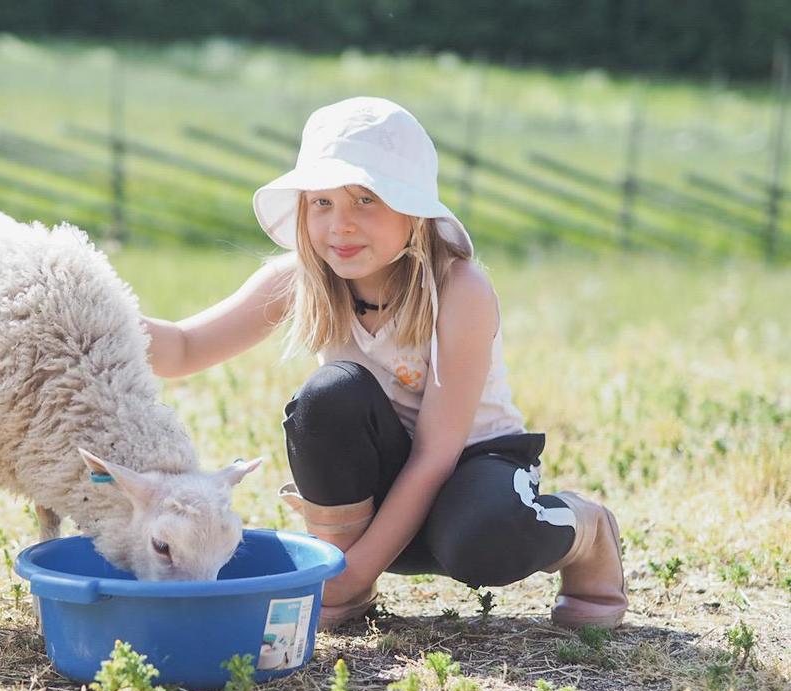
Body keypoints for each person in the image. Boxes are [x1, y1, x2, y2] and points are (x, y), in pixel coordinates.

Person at [141, 97, 627, 631]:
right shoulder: (301, 279)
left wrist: (344, 575)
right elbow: (183, 348)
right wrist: (88, 308)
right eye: (322, 202)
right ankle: (349, 581)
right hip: (381, 481)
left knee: (483, 541)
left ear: (413, 212)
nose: (340, 225)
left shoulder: (458, 289)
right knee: (328, 397)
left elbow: (435, 455)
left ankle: (587, 531)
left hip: (472, 470)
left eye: (366, 200)